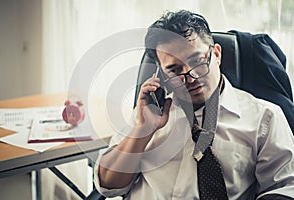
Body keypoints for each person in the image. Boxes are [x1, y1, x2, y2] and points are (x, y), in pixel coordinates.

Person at [93, 10, 294, 199]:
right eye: (174, 69)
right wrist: (142, 131)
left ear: (216, 54)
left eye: (197, 61)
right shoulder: (148, 114)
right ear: (162, 73)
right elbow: (108, 186)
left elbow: (283, 189)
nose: (191, 77)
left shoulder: (265, 118)